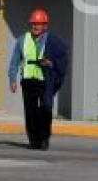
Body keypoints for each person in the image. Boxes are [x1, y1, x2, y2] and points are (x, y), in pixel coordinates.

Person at [8, 8, 68, 150]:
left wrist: (51, 64)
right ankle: (33, 140)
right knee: (30, 112)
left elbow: (63, 57)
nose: (36, 26)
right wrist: (12, 79)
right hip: (28, 81)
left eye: (39, 23)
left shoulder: (52, 41)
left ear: (45, 26)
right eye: (34, 23)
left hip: (44, 81)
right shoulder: (22, 40)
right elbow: (15, 61)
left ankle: (44, 138)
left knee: (46, 109)